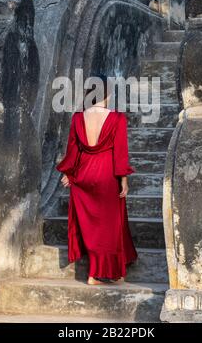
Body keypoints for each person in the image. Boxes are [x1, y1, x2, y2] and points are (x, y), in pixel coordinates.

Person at [55, 74, 138, 285]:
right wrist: (124, 180)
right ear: (108, 93)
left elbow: (73, 150)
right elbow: (120, 153)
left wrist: (69, 174)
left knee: (92, 226)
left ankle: (110, 266)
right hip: (106, 175)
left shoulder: (77, 118)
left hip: (83, 174)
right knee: (109, 226)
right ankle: (98, 274)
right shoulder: (117, 118)